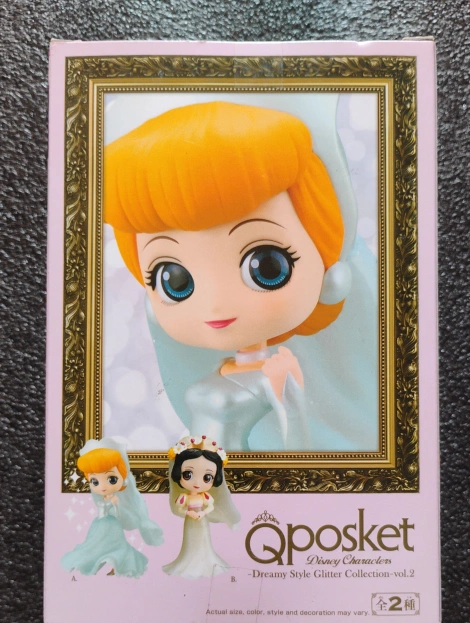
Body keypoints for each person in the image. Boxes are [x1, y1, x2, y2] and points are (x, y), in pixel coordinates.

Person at [105, 97, 378, 452]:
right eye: (174, 279)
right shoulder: (223, 367)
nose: (215, 304)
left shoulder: (278, 373)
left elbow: (298, 444)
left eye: (266, 266)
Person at [61, 438, 163, 577]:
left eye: (111, 479)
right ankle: (95, 563)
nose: (102, 486)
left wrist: (117, 505)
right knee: (95, 545)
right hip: (98, 524)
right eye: (95, 481)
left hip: (112, 525)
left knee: (115, 546)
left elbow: (119, 512)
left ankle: (117, 565)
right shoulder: (103, 498)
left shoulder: (115, 499)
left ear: (123, 477)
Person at [163, 435, 240, 579]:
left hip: (202, 520)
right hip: (190, 520)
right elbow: (179, 508)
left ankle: (204, 560)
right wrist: (188, 513)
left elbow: (210, 507)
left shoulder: (205, 496)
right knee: (190, 541)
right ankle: (188, 560)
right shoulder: (184, 497)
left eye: (207, 477)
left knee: (203, 540)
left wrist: (203, 513)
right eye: (188, 474)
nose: (197, 483)